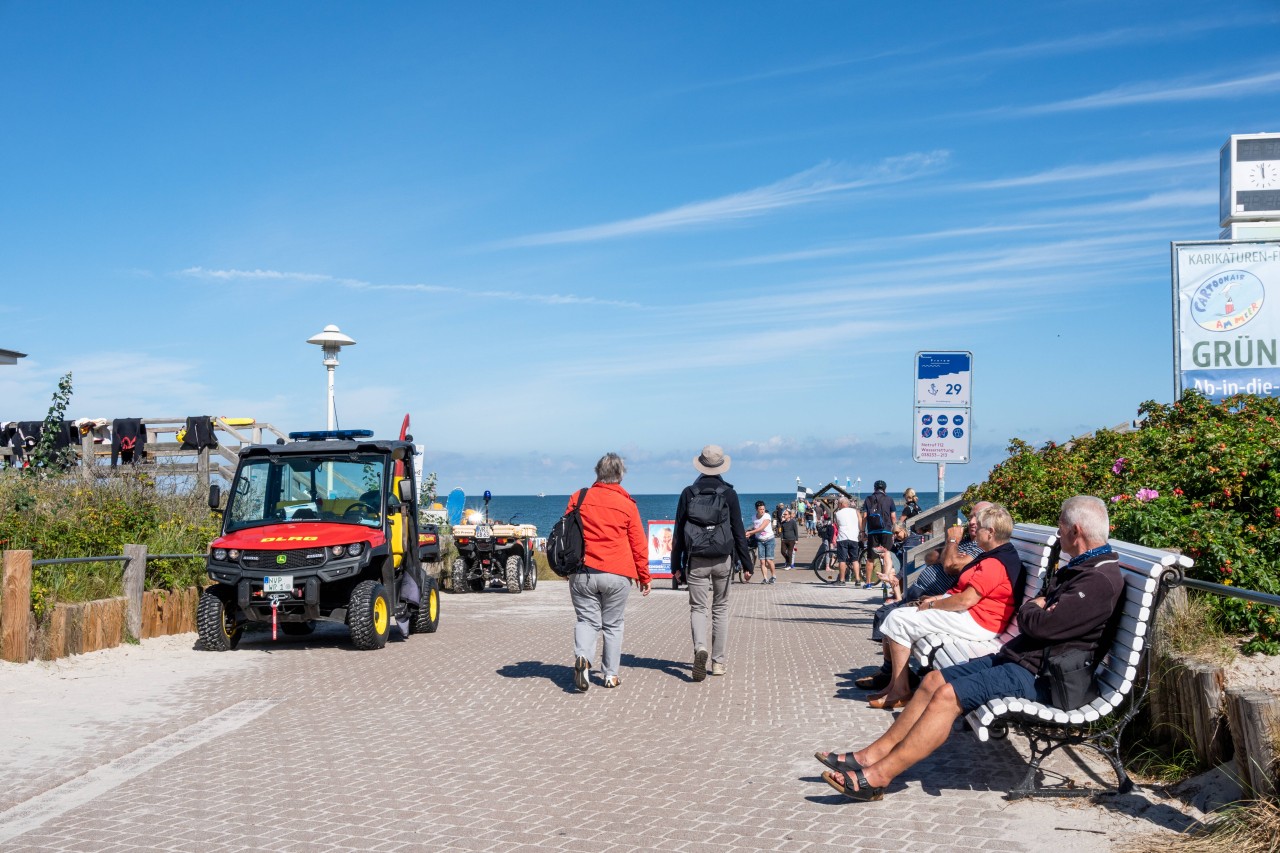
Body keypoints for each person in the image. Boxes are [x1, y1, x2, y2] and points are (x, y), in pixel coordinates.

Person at [815, 496, 1126, 801]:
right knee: (934, 680)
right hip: (1021, 659)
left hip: (1043, 678)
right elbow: (1039, 613)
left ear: (1076, 531)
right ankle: (871, 755)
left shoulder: (1097, 580)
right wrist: (1039, 606)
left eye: (1060, 528)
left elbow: (1038, 624)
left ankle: (879, 777)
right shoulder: (1083, 569)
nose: (1058, 534)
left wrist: (1035, 607)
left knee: (948, 697)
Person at [869, 504, 1020, 709]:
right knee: (899, 616)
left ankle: (901, 690)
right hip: (972, 615)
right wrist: (938, 599)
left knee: (898, 619)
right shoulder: (994, 554)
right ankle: (897, 685)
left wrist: (933, 605)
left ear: (991, 533)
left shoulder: (995, 563)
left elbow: (966, 600)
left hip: (978, 622)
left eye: (981, 527)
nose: (975, 529)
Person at [856, 501, 993, 692]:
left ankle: (892, 675)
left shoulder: (979, 548)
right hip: (919, 590)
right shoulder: (966, 542)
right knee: (886, 613)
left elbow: (951, 566)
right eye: (969, 516)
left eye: (975, 518)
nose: (970, 521)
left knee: (891, 616)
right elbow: (930, 557)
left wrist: (950, 546)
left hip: (933, 596)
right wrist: (950, 552)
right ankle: (894, 672)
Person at [568, 453, 651, 692]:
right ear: (620, 475)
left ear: (597, 472)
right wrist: (644, 576)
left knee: (586, 620)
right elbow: (638, 543)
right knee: (613, 625)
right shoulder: (627, 504)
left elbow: (567, 535)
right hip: (617, 572)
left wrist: (566, 568)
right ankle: (610, 675)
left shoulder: (578, 498)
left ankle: (583, 658)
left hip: (582, 571)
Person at [671, 445, 752, 681]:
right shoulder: (729, 493)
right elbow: (738, 530)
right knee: (720, 609)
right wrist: (746, 564)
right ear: (720, 466)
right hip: (723, 559)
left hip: (696, 559)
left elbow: (678, 532)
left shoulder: (689, 493)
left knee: (698, 608)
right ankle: (718, 663)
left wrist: (675, 566)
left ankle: (700, 649)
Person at [861, 480, 897, 589]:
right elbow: (893, 517)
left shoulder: (868, 499)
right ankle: (885, 583)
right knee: (886, 555)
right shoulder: (889, 499)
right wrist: (895, 530)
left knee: (871, 557)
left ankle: (868, 583)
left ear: (874, 488)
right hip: (886, 530)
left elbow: (864, 517)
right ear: (885, 489)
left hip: (873, 531)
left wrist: (863, 531)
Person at [746, 501, 777, 585]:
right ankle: (765, 578)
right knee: (762, 562)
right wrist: (748, 533)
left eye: (763, 509)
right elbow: (755, 527)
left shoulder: (767, 516)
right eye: (760, 509)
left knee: (769, 560)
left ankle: (773, 576)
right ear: (757, 509)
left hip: (769, 539)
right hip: (760, 540)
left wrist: (751, 532)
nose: (762, 510)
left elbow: (761, 528)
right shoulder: (754, 517)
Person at [833, 497, 862, 586]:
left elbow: (837, 525)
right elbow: (860, 521)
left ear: (842, 504)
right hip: (854, 537)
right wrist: (861, 531)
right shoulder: (856, 511)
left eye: (838, 504)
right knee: (855, 559)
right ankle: (857, 580)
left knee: (842, 560)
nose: (838, 505)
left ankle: (842, 580)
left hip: (842, 538)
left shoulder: (837, 513)